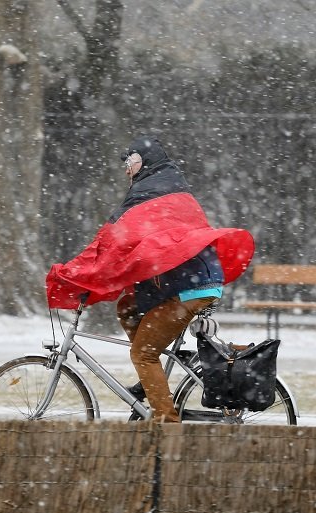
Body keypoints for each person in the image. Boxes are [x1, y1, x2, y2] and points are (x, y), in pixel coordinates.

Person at [46, 136, 255, 423]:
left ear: (144, 163)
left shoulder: (151, 192)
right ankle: (150, 383)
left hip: (189, 289)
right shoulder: (168, 187)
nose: (126, 169)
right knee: (127, 307)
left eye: (130, 161)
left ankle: (166, 423)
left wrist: (78, 273)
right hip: (189, 284)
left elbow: (112, 241)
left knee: (143, 354)